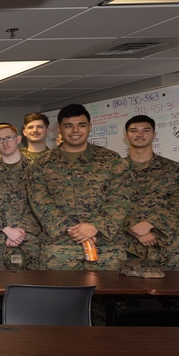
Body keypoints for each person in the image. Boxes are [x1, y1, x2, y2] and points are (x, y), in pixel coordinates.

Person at [28, 104, 131, 270]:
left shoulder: (111, 160)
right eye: (69, 126)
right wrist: (74, 231)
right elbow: (39, 201)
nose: (75, 131)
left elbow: (121, 197)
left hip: (105, 246)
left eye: (81, 125)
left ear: (90, 127)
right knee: (60, 295)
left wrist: (95, 225)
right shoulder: (42, 164)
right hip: (60, 248)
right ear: (59, 129)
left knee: (107, 295)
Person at [121, 114, 179, 270]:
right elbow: (105, 205)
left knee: (173, 291)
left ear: (154, 134)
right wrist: (135, 229)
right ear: (126, 136)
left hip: (166, 247)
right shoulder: (114, 170)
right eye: (133, 131)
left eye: (146, 130)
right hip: (126, 248)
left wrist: (150, 225)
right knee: (125, 293)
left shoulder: (173, 169)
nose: (139, 135)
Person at [0, 124, 41, 270]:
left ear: (18, 139)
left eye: (9, 138)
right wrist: (7, 230)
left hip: (29, 237)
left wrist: (18, 231)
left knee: (33, 287)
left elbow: (40, 204)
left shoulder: (36, 170)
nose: (5, 143)